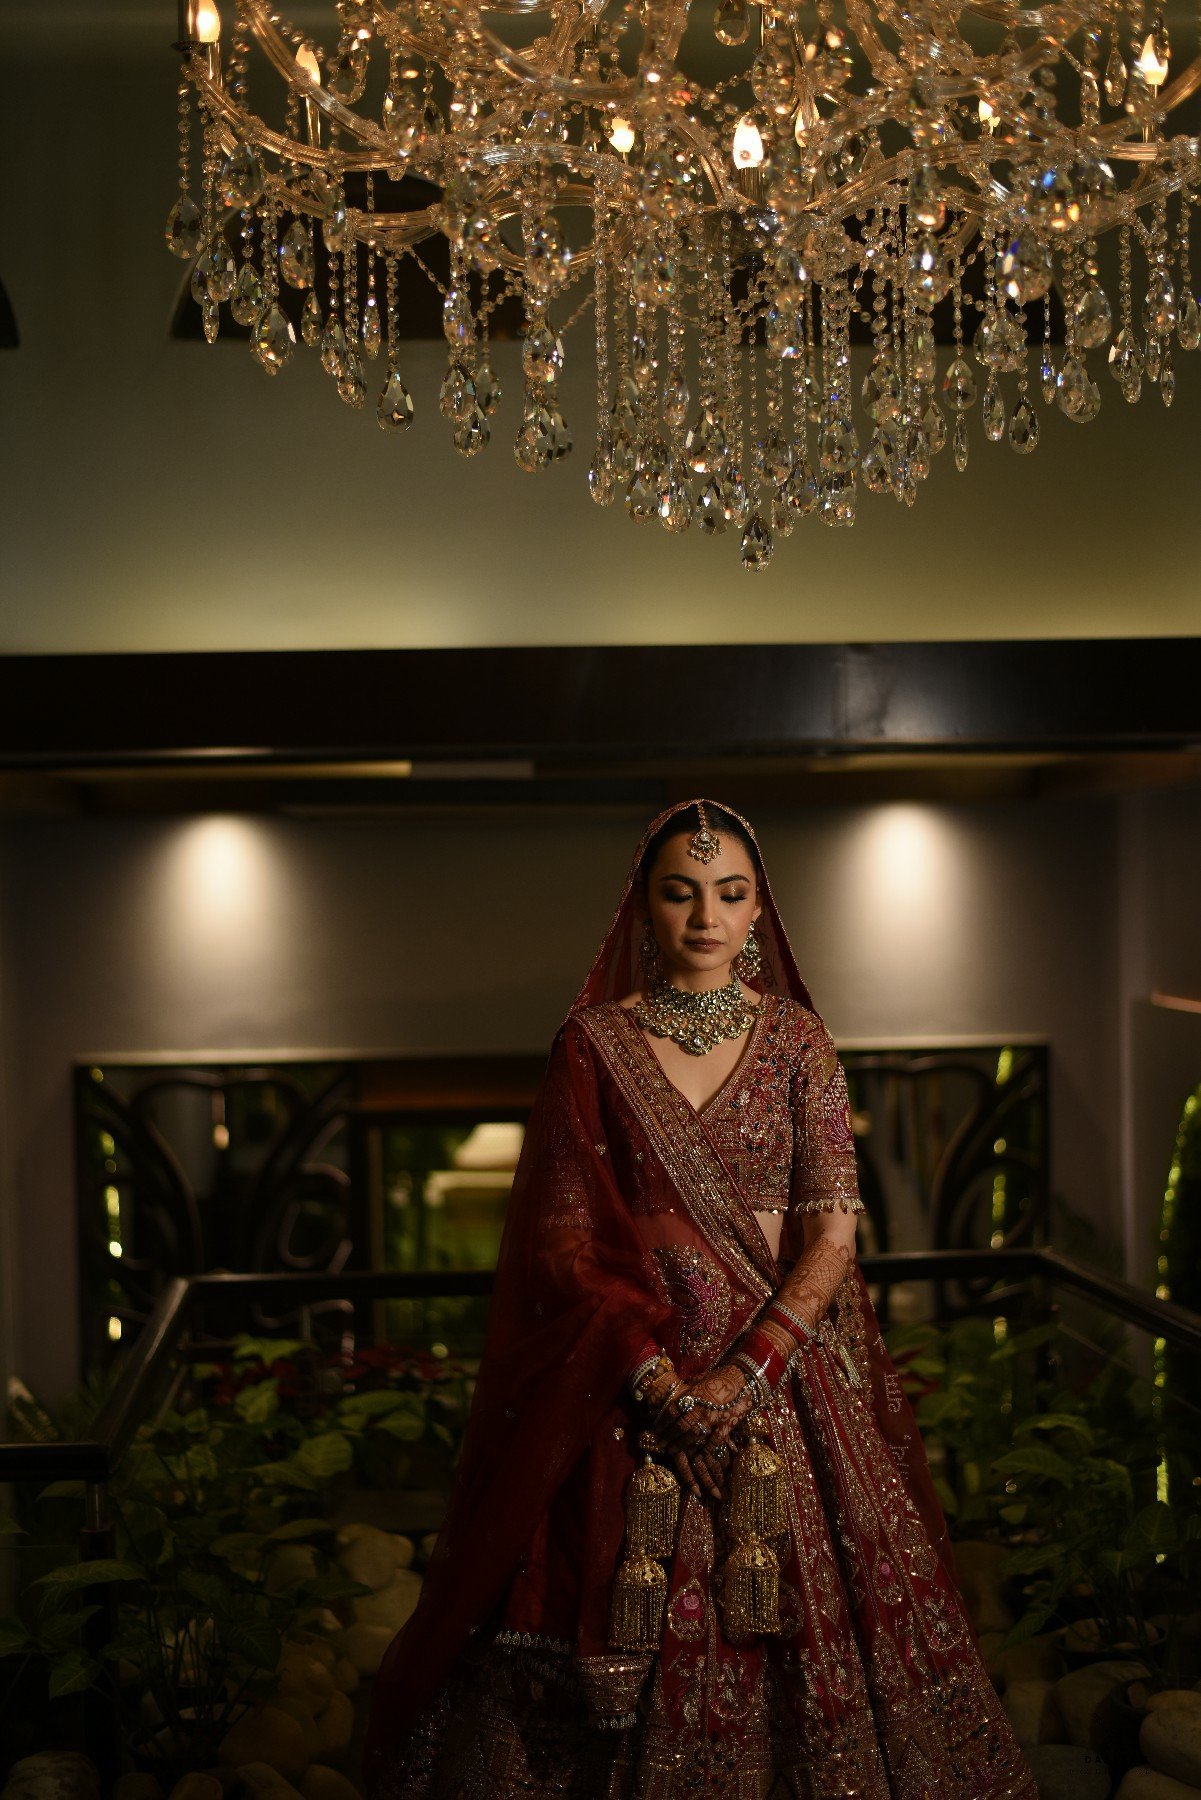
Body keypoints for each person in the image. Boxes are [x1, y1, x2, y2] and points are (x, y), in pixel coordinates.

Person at [363, 799, 1037, 1798]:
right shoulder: (594, 1046)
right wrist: (660, 1386)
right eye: (680, 893)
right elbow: (562, 1246)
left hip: (782, 1383)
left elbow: (831, 1239)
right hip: (629, 1383)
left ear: (760, 908)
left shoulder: (799, 1041)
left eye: (729, 893)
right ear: (643, 906)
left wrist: (742, 1376)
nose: (706, 916)